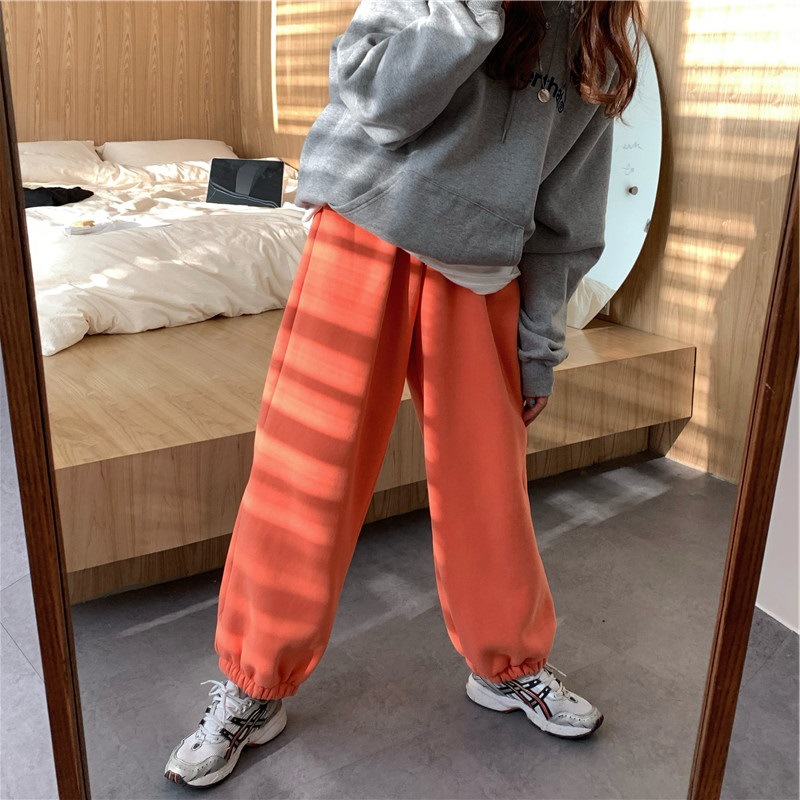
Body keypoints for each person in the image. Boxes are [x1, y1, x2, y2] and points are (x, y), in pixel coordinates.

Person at [165, 0, 643, 788]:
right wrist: (473, 15)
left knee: (489, 491)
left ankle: (506, 667)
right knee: (303, 474)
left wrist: (539, 347)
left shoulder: (598, 33)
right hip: (363, 230)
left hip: (481, 270)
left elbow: (568, 219)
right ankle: (255, 683)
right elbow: (372, 96)